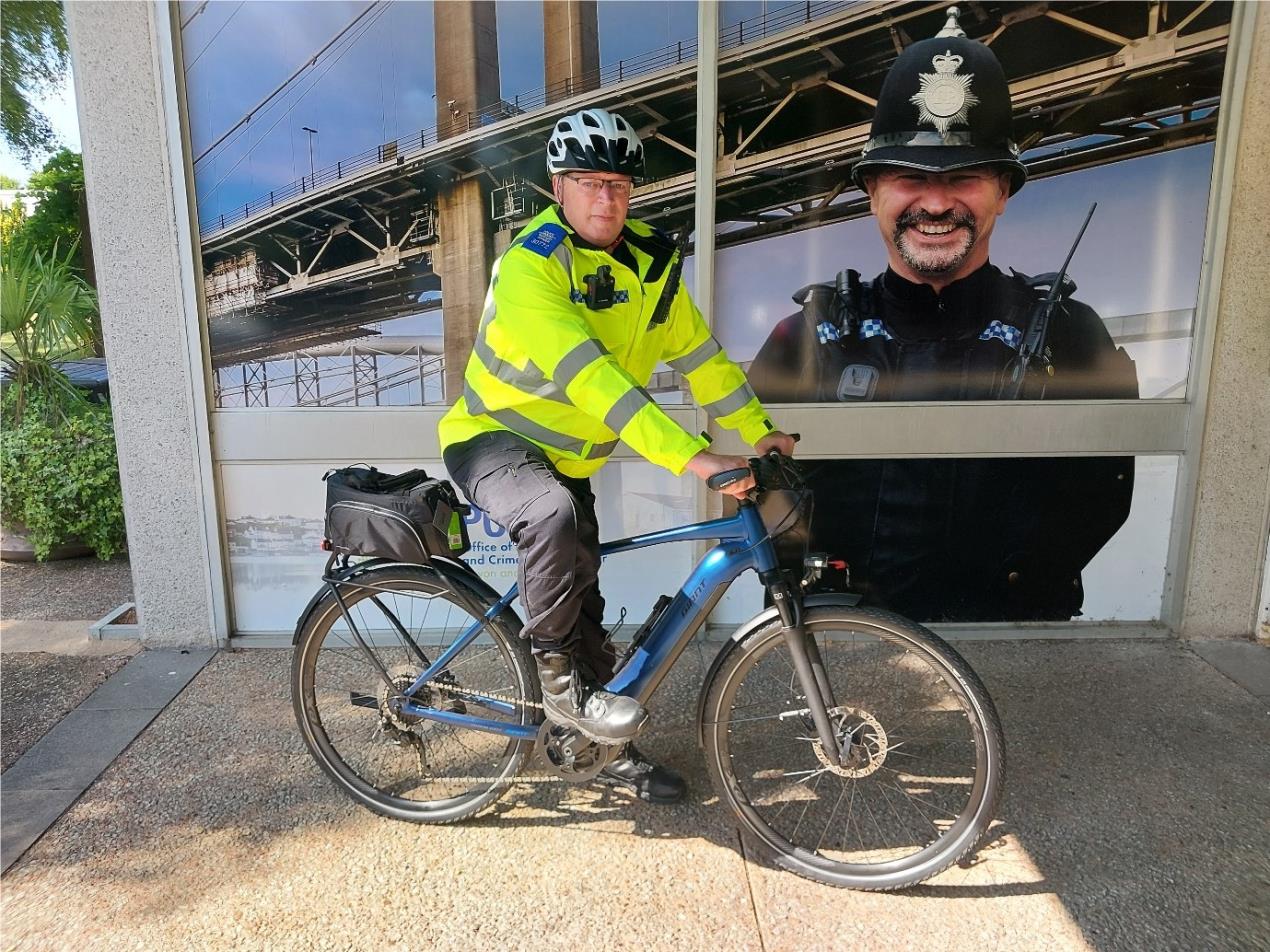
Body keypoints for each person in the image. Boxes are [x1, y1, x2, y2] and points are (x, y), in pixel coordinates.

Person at [439, 107, 795, 802]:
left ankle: (603, 750)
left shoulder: (651, 264)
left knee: (589, 613)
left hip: (572, 460)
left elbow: (703, 360)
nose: (607, 197)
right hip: (491, 440)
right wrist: (695, 460)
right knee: (547, 517)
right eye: (590, 182)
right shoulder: (530, 268)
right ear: (558, 187)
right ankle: (562, 692)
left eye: (620, 184)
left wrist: (759, 429)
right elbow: (594, 382)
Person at [748, 7, 1137, 623]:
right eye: (907, 177)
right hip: (846, 652)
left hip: (1017, 649)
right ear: (872, 191)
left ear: (1002, 191)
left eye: (966, 176)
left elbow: (1103, 498)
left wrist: (1018, 599)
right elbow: (758, 496)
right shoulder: (802, 339)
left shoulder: (1071, 333)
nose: (935, 202)